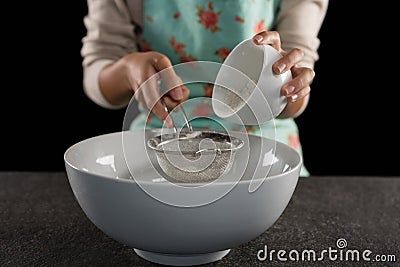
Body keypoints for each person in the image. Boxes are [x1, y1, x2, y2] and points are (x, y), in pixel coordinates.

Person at [80, 0, 329, 177]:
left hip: (266, 151)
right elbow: (99, 67)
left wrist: (287, 83)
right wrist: (126, 70)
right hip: (158, 143)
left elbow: (298, 82)